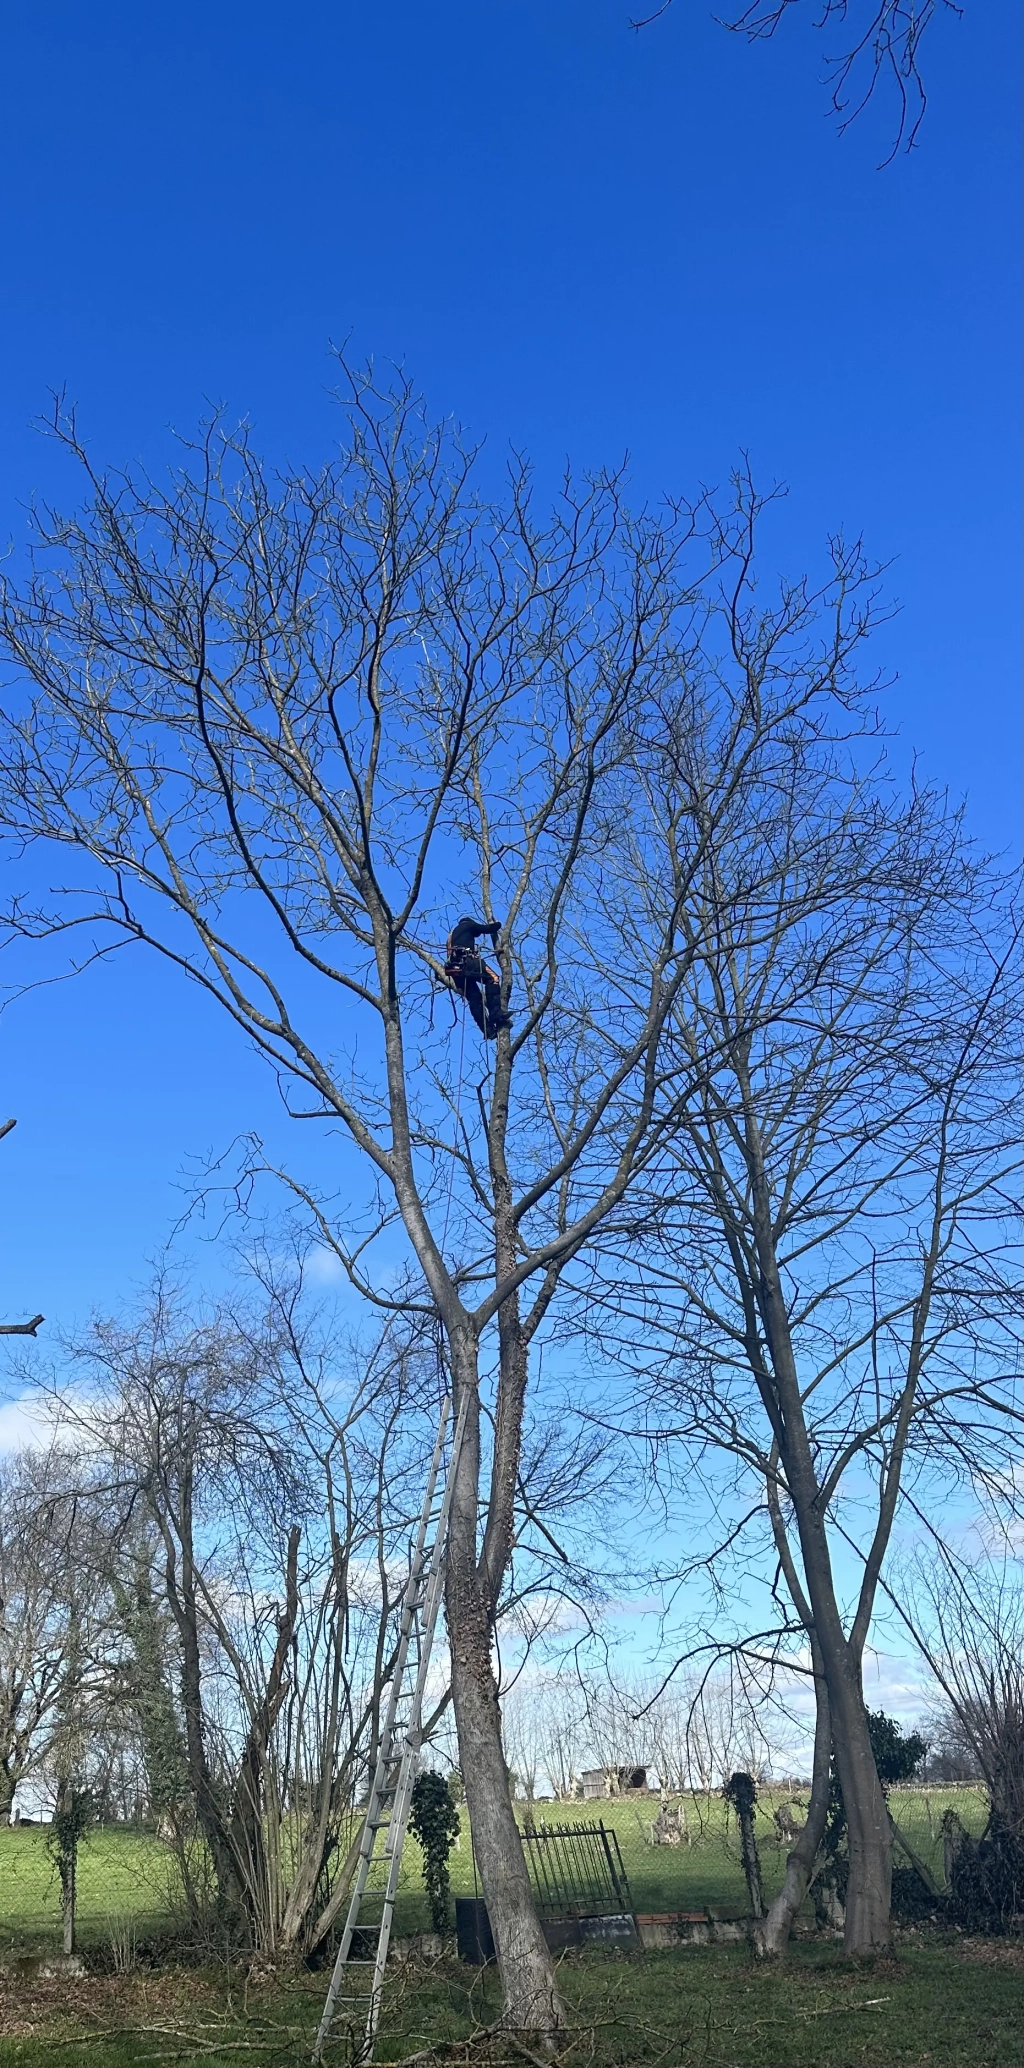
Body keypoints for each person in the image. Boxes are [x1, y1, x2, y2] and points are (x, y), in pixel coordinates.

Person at [444, 916, 512, 1038]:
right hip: (467, 961)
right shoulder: (467, 925)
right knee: (493, 978)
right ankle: (496, 1013)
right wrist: (497, 924)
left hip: (455, 970)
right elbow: (488, 928)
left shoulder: (452, 935)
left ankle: (487, 1030)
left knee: (474, 998)